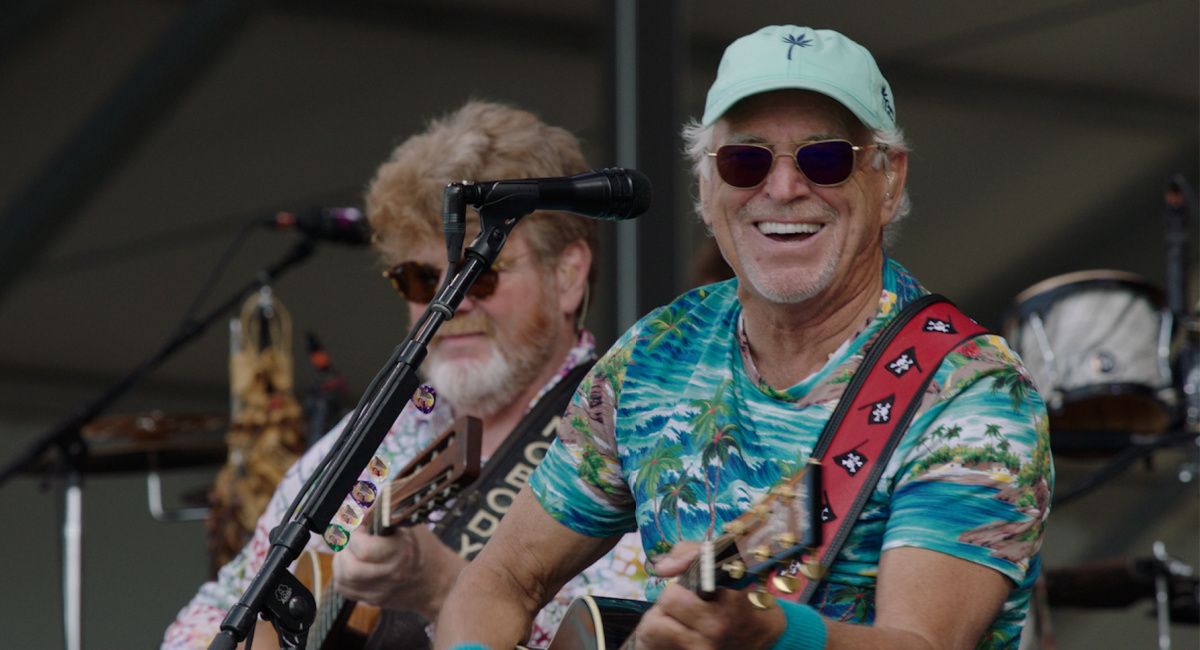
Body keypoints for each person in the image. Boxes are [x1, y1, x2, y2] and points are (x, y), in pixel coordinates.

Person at [436, 25, 1054, 650]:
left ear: (889, 179)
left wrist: (778, 635)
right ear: (706, 189)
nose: (783, 189)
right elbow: (498, 579)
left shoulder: (972, 390)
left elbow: (924, 644)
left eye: (825, 158)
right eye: (745, 159)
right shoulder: (656, 353)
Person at [162, 100, 647, 649]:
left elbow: (626, 634)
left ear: (568, 274)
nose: (452, 302)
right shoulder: (383, 430)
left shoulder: (628, 429)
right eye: (420, 279)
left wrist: (445, 590)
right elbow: (215, 608)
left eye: (479, 275)